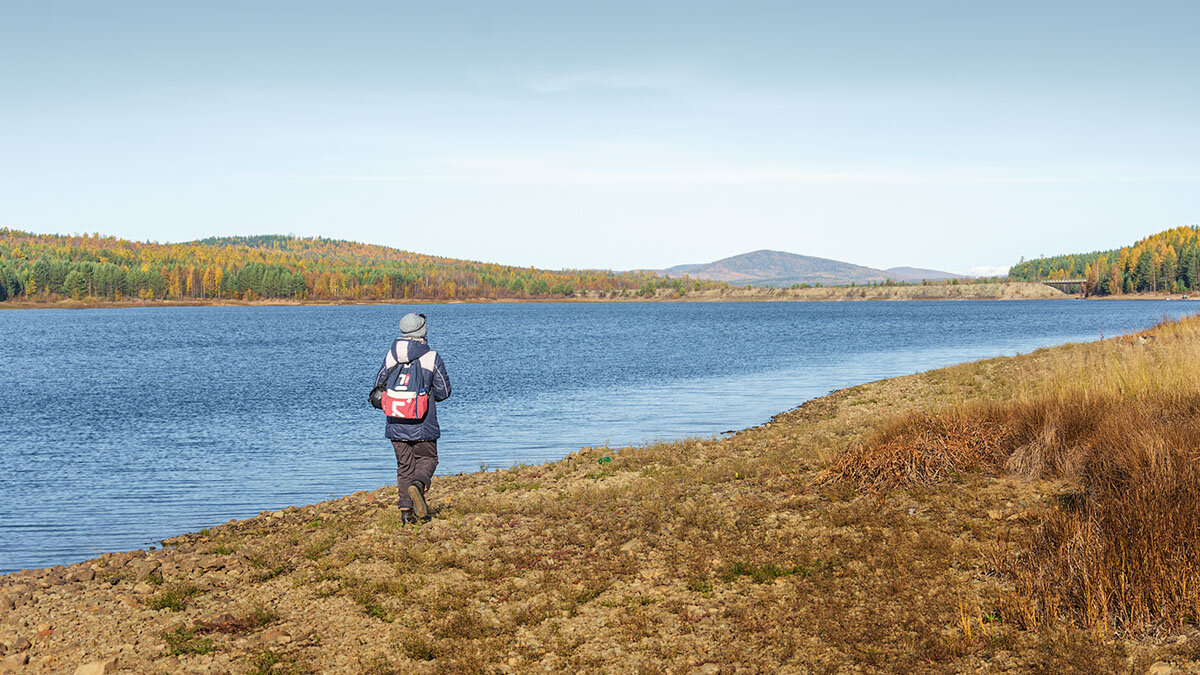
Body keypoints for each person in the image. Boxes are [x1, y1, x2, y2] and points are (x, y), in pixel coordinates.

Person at [373, 312, 451, 524]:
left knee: (404, 465)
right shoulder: (431, 356)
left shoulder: (391, 355)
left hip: (395, 421)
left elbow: (378, 386)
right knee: (428, 459)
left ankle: (406, 513)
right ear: (422, 331)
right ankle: (418, 485)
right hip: (423, 422)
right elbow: (444, 391)